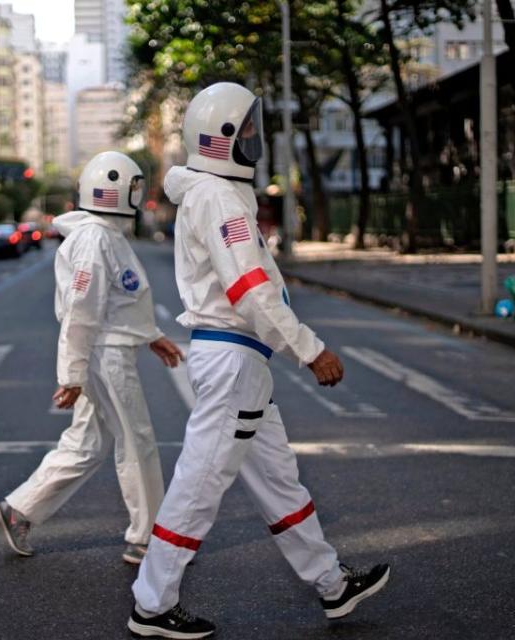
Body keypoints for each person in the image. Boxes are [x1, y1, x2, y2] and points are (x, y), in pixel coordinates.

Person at [128, 83, 390, 639]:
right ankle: (151, 605)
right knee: (199, 484)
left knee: (279, 481)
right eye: (247, 130)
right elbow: (250, 290)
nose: (256, 139)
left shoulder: (215, 193)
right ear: (223, 139)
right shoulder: (220, 199)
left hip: (241, 363)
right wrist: (311, 350)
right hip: (233, 362)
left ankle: (331, 584)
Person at [0, 151, 184, 566]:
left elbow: (119, 300)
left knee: (86, 442)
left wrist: (152, 335)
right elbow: (82, 307)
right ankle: (150, 538)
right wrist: (73, 374)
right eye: (134, 187)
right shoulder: (95, 238)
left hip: (106, 350)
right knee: (137, 441)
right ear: (115, 188)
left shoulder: (105, 235)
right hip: (105, 357)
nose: (137, 194)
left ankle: (20, 509)